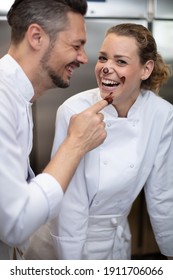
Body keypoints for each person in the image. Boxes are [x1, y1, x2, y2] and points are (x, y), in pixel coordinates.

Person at [50, 23, 173, 260]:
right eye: (103, 58)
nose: (106, 68)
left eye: (120, 61)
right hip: (71, 243)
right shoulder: (74, 111)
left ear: (146, 69)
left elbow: (163, 194)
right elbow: (69, 206)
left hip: (117, 242)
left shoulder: (161, 114)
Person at [0, 0, 109, 260]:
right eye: (76, 45)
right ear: (36, 37)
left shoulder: (19, 96)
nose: (84, 58)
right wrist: (76, 144)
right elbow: (16, 223)